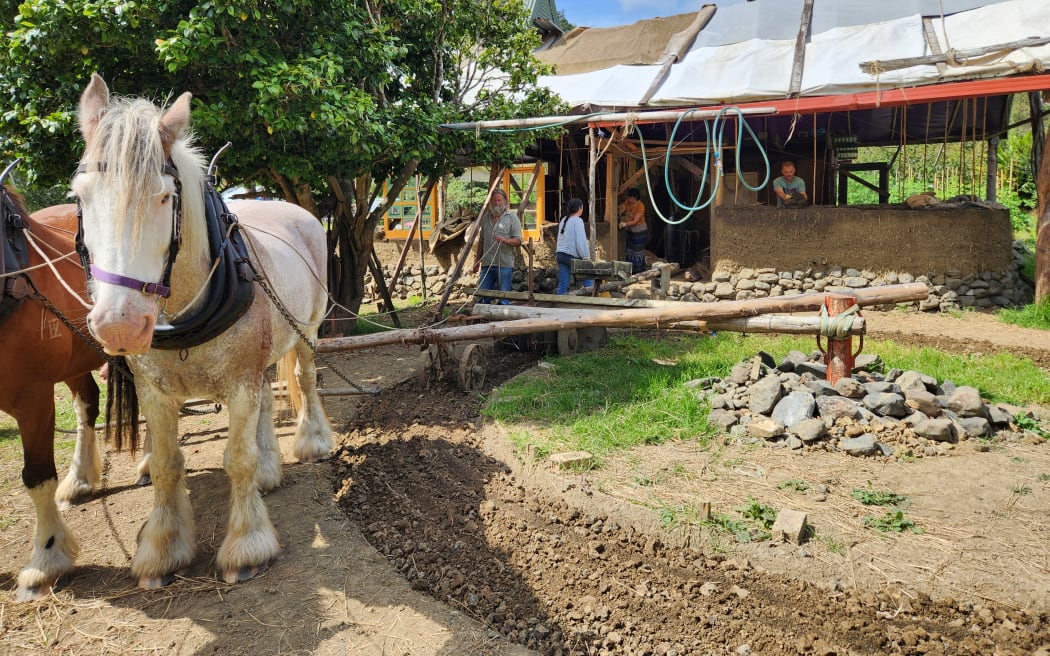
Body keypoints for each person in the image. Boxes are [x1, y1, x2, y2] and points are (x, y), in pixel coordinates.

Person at [472, 188, 522, 304]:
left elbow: (518, 241)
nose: (496, 203)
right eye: (494, 201)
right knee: (483, 297)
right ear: (490, 202)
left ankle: (502, 321)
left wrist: (506, 240)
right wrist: (477, 262)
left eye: (499, 200)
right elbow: (481, 241)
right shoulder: (485, 218)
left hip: (504, 264)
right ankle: (482, 321)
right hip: (487, 264)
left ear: (505, 201)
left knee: (503, 299)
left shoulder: (512, 218)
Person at [554, 197, 590, 295]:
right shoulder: (578, 221)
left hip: (560, 255)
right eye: (582, 207)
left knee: (563, 284)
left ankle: (559, 304)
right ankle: (593, 300)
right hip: (571, 256)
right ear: (580, 208)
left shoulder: (564, 220)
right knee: (588, 279)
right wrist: (585, 257)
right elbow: (580, 241)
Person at [619, 188, 648, 274]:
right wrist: (620, 211)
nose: (630, 200)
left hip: (639, 230)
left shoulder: (640, 206)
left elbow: (635, 221)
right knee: (630, 250)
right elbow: (622, 208)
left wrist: (625, 224)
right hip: (630, 229)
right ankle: (631, 269)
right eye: (629, 198)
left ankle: (639, 270)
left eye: (632, 198)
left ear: (636, 197)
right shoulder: (628, 202)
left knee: (637, 251)